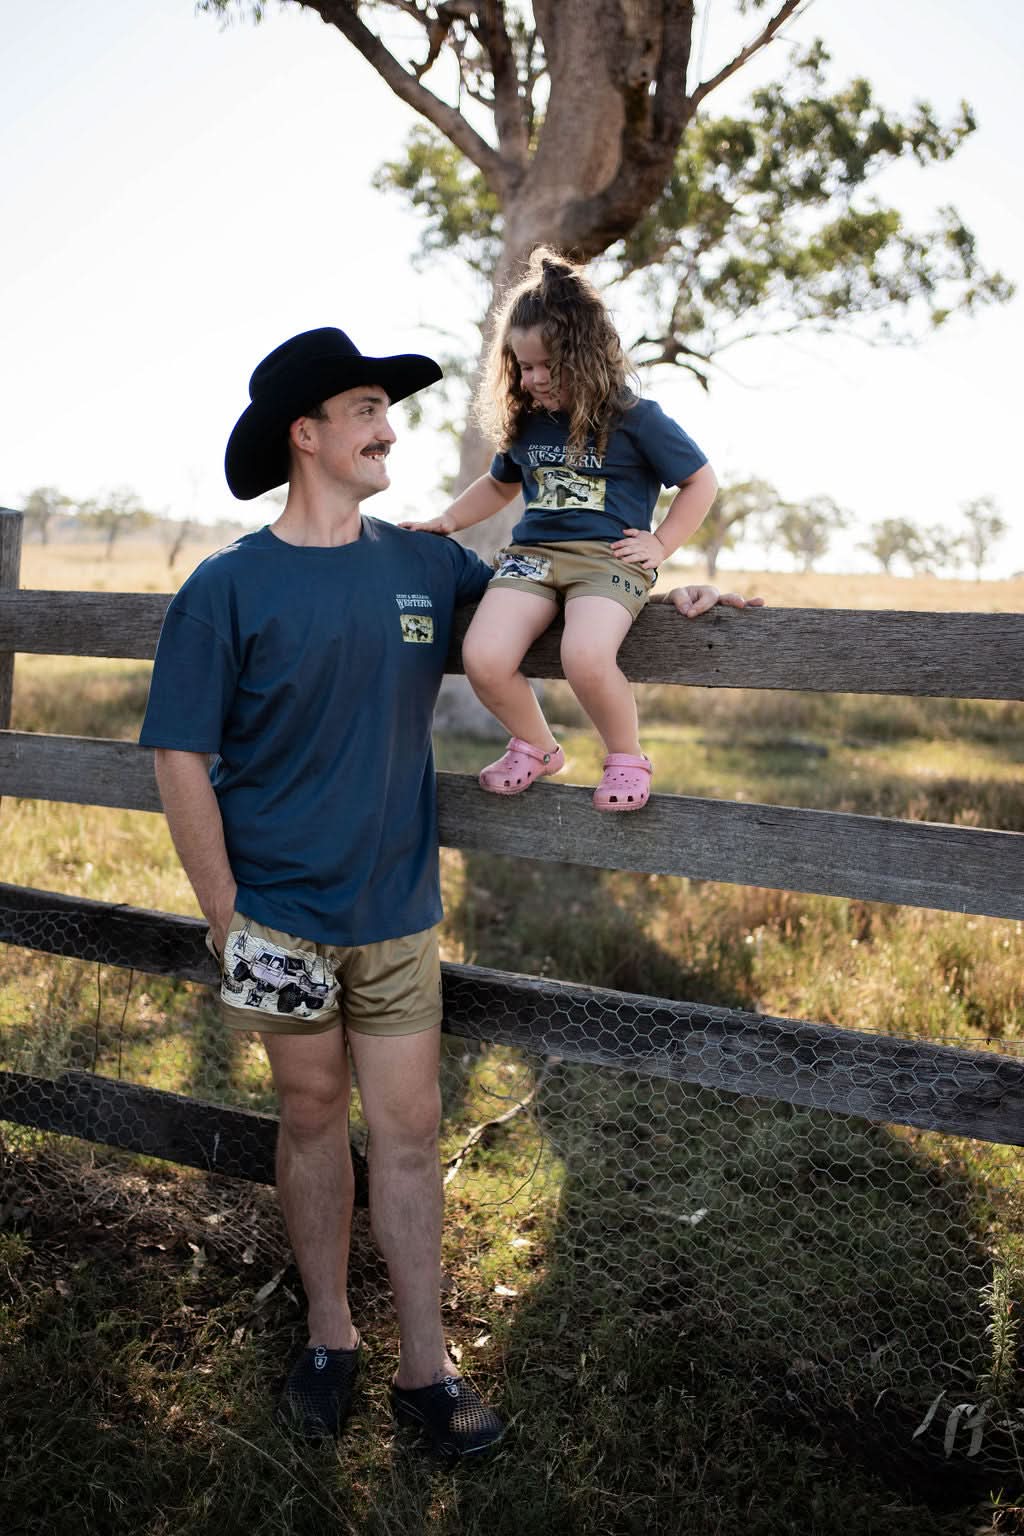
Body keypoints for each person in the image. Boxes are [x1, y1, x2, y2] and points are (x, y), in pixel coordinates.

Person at [138, 326, 505, 1458]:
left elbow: (537, 610)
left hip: (396, 915)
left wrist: (658, 584)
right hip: (279, 922)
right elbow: (179, 754)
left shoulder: (426, 565)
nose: (387, 428)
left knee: (408, 1129)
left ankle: (425, 1369)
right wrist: (225, 915)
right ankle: (330, 1337)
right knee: (308, 1119)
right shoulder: (227, 587)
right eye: (364, 411)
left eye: (384, 412)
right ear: (308, 435)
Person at [403, 246, 762, 810]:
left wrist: (662, 542)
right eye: (524, 366)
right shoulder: (527, 424)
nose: (536, 378)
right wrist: (449, 519)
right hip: (532, 558)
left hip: (608, 558)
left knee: (585, 656)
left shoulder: (636, 417)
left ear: (588, 354)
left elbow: (700, 482)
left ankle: (625, 757)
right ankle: (538, 746)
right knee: (483, 657)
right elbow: (499, 485)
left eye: (551, 364)